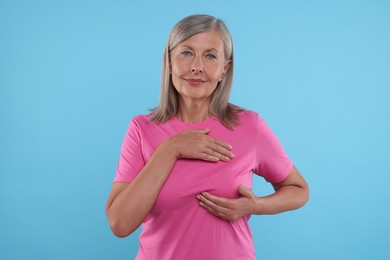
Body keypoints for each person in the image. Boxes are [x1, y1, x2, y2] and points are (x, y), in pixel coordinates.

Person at [106, 14, 309, 260]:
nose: (197, 66)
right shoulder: (141, 129)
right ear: (169, 62)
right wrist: (171, 148)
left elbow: (298, 189)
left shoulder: (249, 126)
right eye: (186, 53)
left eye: (210, 56)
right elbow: (120, 223)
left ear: (225, 69)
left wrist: (256, 206)